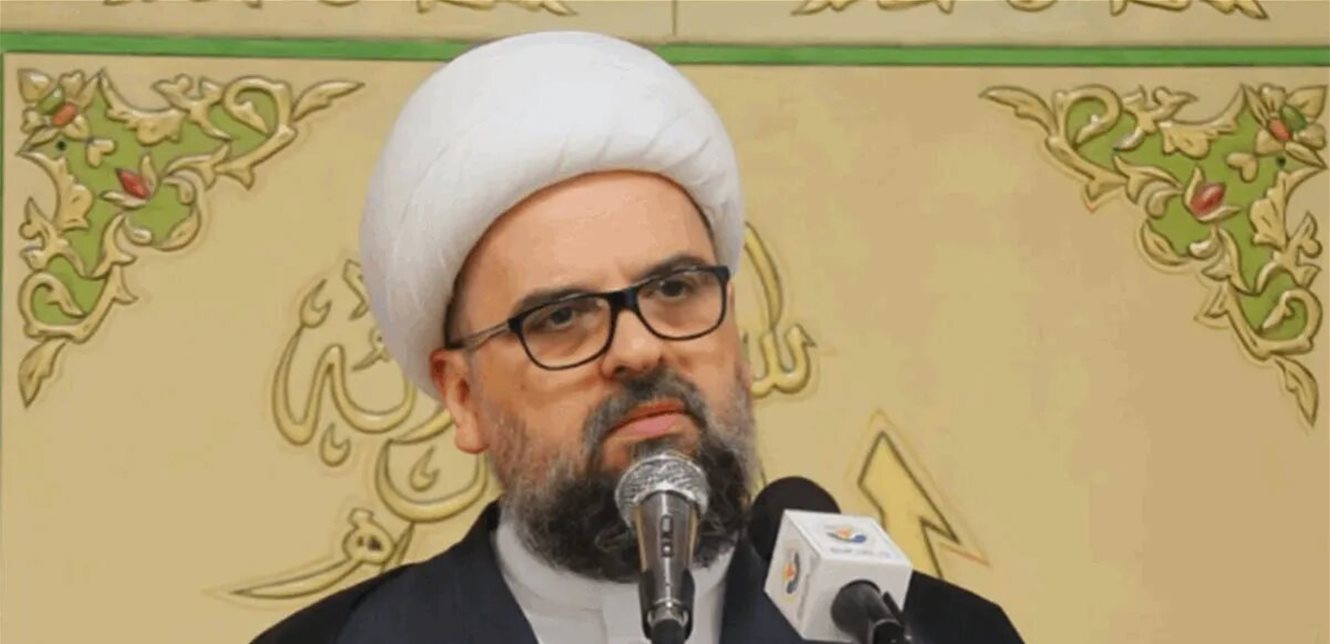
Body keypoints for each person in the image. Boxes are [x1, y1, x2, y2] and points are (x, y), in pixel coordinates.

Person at [251, 30, 1024, 644]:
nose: (639, 350)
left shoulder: (930, 633)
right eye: (562, 316)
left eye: (675, 290)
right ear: (463, 397)